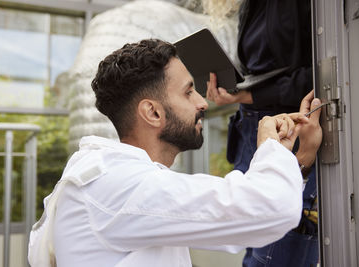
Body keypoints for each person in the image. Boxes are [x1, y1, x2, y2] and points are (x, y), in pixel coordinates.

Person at [28, 39, 321, 267]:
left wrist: (298, 161)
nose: (203, 103)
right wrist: (269, 143)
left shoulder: (113, 181)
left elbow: (248, 217)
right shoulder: (118, 186)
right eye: (188, 92)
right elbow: (269, 210)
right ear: (152, 112)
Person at [205, 0, 319, 266]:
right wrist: (233, 87)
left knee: (276, 244)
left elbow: (321, 74)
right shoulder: (250, 5)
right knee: (253, 233)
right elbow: (263, 69)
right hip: (252, 130)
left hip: (289, 131)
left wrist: (250, 93)